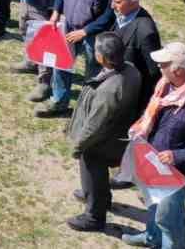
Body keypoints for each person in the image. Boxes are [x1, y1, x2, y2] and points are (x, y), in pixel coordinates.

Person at [122, 42, 185, 248]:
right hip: (153, 160)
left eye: (163, 64)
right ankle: (152, 238)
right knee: (152, 204)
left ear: (177, 69)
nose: (158, 67)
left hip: (177, 174)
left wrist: (177, 156)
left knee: (168, 220)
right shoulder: (164, 87)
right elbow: (151, 117)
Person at [65, 31, 142, 233]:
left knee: (91, 166)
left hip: (104, 141)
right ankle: (100, 197)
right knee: (96, 175)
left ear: (102, 58)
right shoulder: (131, 70)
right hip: (118, 133)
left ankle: (94, 216)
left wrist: (79, 146)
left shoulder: (109, 90)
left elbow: (94, 125)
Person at [112, 0, 163, 114]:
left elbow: (153, 73)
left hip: (130, 91)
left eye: (117, 2)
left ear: (133, 3)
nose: (112, 5)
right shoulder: (122, 14)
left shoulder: (146, 32)